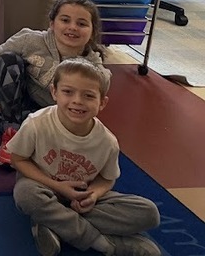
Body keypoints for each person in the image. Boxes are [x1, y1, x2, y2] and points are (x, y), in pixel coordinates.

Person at [9, 58, 161, 256]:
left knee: (149, 213)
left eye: (88, 95)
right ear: (54, 92)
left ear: (102, 102)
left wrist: (93, 195)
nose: (77, 101)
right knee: (25, 194)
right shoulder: (36, 124)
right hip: (43, 188)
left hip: (81, 199)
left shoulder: (107, 142)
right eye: (68, 92)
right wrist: (57, 187)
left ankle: (54, 224)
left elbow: (107, 179)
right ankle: (103, 243)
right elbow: (17, 160)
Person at [0, 0, 109, 166]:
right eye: (65, 20)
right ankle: (12, 132)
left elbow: (102, 85)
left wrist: (94, 74)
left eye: (81, 24)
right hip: (16, 99)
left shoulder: (91, 62)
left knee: (54, 137)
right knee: (8, 60)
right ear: (52, 23)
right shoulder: (29, 39)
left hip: (51, 113)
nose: (72, 27)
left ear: (92, 31)